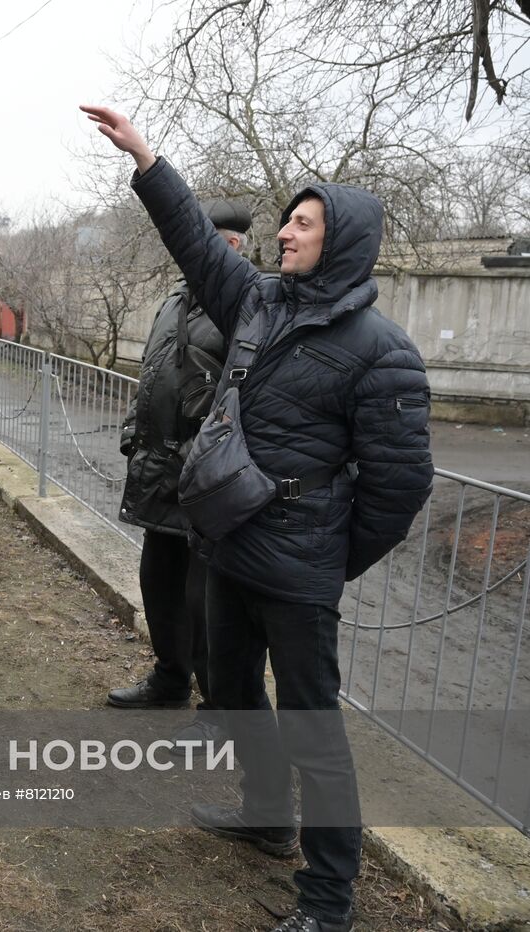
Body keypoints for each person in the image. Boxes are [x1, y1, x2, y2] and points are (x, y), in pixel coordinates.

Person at [82, 104, 434, 932]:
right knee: (234, 692)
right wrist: (145, 159)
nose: (284, 233)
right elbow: (197, 245)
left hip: (300, 570)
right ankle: (267, 817)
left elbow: (400, 485)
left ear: (338, 241)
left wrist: (329, 556)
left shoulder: (382, 351)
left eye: (303, 225)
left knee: (317, 732)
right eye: (286, 222)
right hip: (231, 549)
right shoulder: (262, 304)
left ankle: (327, 902)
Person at [107, 199, 253, 751]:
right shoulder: (173, 301)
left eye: (230, 243)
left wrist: (201, 455)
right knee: (159, 586)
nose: (220, 249)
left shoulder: (245, 305)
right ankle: (169, 680)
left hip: (205, 478)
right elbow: (153, 372)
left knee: (205, 603)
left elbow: (241, 392)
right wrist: (131, 428)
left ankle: (216, 711)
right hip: (157, 469)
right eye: (213, 239)